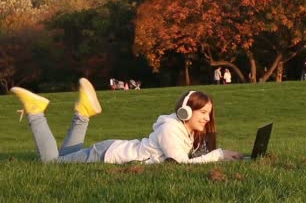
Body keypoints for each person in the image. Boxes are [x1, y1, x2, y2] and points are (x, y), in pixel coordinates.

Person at [9, 78, 243, 164]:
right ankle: (36, 111)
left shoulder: (185, 131)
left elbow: (195, 157)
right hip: (109, 155)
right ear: (186, 112)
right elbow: (181, 163)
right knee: (52, 164)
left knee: (63, 160)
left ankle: (83, 113)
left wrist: (231, 157)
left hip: (111, 149)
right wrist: (219, 154)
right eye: (203, 112)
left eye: (209, 113)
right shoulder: (171, 129)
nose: (207, 118)